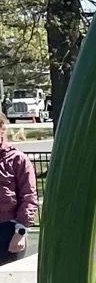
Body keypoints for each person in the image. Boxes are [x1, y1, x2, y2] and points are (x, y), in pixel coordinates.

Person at [0, 110, 38, 263]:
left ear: (2, 128)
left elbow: (29, 197)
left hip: (8, 231)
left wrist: (20, 232)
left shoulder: (18, 159)